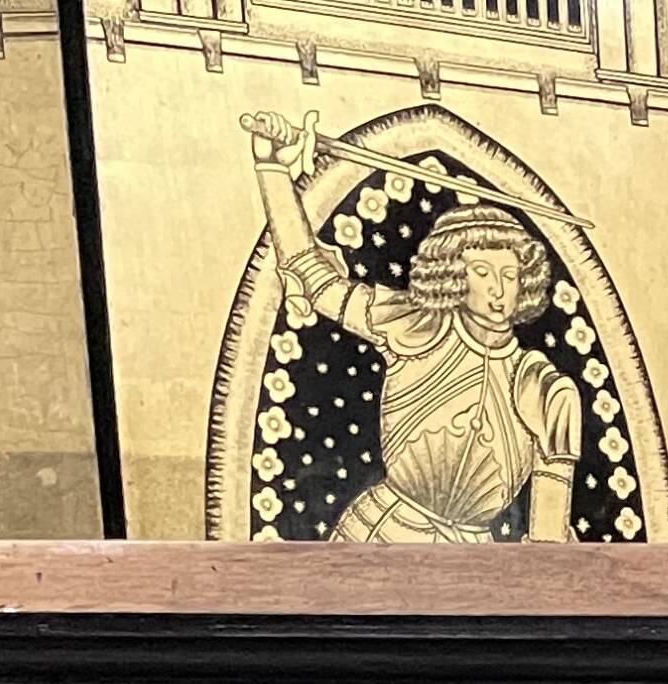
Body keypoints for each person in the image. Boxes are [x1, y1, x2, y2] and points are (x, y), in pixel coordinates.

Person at [247, 112, 586, 542]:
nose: (499, 290)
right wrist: (275, 169)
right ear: (452, 272)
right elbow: (312, 276)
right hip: (377, 537)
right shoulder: (415, 325)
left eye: (510, 274)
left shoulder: (543, 385)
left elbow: (548, 542)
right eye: (483, 271)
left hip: (471, 568)